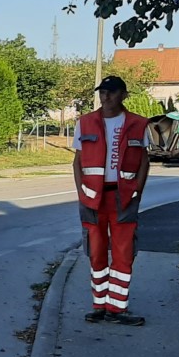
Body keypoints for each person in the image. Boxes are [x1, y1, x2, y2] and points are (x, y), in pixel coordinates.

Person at [73, 75, 150, 326]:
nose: (105, 97)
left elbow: (143, 161)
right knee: (96, 253)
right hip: (93, 199)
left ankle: (117, 308)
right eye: (102, 92)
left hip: (123, 197)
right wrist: (81, 192)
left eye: (112, 92)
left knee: (123, 252)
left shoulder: (138, 124)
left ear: (124, 95)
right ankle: (99, 305)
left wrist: (137, 190)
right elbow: (77, 161)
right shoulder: (84, 123)